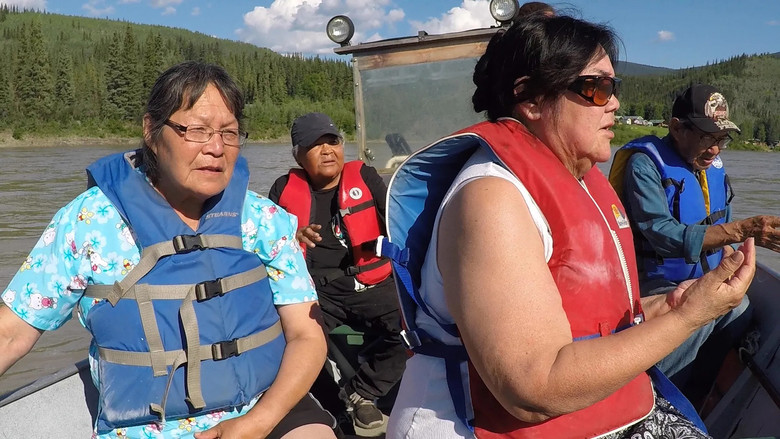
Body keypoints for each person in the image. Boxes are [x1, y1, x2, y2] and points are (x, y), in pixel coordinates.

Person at [384, 14, 756, 439]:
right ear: (531, 100)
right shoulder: (491, 198)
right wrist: (690, 317)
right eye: (597, 88)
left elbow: (583, 317)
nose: (614, 103)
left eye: (615, 87)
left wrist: (666, 306)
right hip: (478, 424)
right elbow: (532, 388)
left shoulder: (578, 178)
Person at [0, 61, 337, 439]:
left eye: (228, 133)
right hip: (148, 427)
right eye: (197, 130)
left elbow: (307, 335)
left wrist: (257, 422)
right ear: (151, 131)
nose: (216, 148)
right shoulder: (89, 222)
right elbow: (11, 333)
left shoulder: (261, 219)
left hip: (265, 411)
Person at [608, 83, 780, 405]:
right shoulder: (644, 165)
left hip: (704, 276)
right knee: (697, 313)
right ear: (677, 128)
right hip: (655, 283)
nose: (715, 150)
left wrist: (733, 256)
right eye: (706, 137)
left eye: (721, 139)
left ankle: (698, 396)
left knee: (741, 310)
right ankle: (655, 400)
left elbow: (723, 225)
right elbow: (660, 233)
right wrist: (740, 231)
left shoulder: (711, 167)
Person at [268, 112, 406, 430]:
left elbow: (397, 223)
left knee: (413, 327)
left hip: (370, 285)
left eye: (333, 141)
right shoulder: (283, 189)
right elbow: (265, 242)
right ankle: (333, 408)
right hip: (313, 293)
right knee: (286, 345)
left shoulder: (366, 178)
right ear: (298, 155)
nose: (328, 150)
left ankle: (362, 393)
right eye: (316, 145)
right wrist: (291, 238)